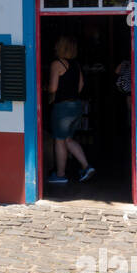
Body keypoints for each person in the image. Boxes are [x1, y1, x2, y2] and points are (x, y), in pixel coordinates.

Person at [48, 35, 94, 185]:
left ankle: (60, 175)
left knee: (60, 140)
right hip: (76, 106)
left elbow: (53, 88)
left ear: (61, 47)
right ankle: (86, 167)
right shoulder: (76, 65)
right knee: (68, 139)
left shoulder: (57, 64)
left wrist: (46, 89)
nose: (54, 47)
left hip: (63, 107)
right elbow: (80, 86)